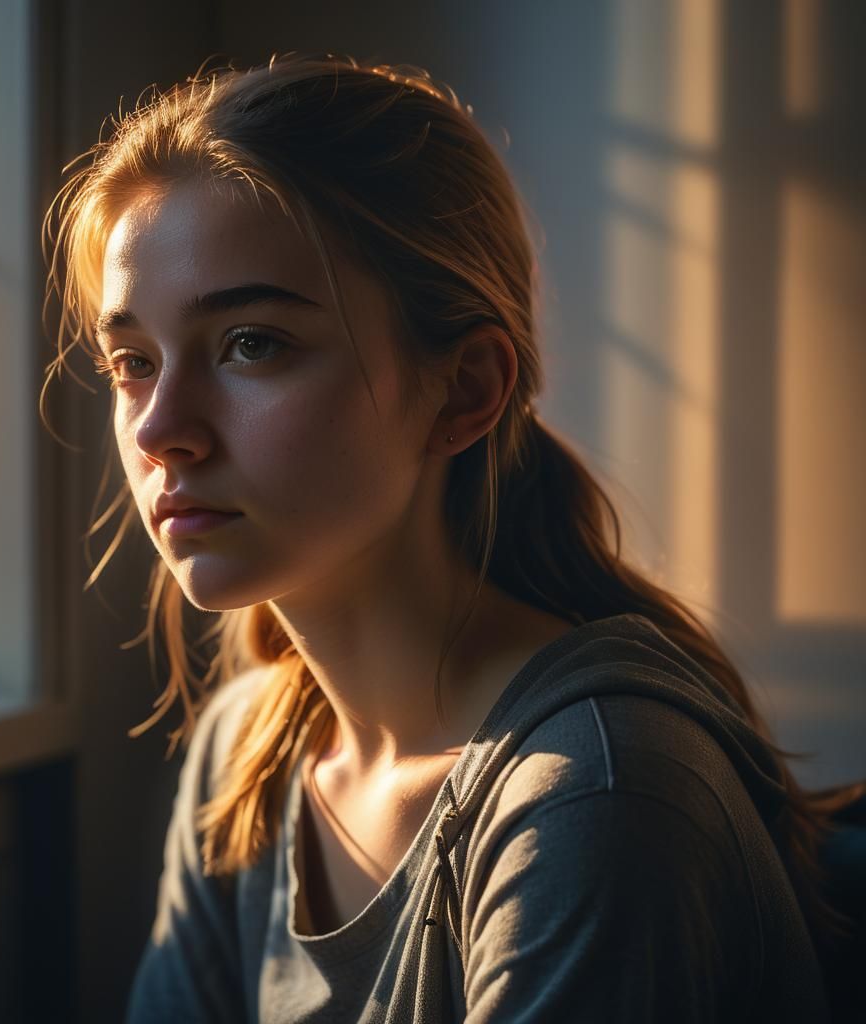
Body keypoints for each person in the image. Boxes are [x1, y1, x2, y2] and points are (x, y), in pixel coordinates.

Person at [42, 53, 863, 1022]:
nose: (155, 428)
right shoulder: (248, 753)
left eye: (252, 342)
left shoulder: (593, 795)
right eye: (132, 360)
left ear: (465, 388)